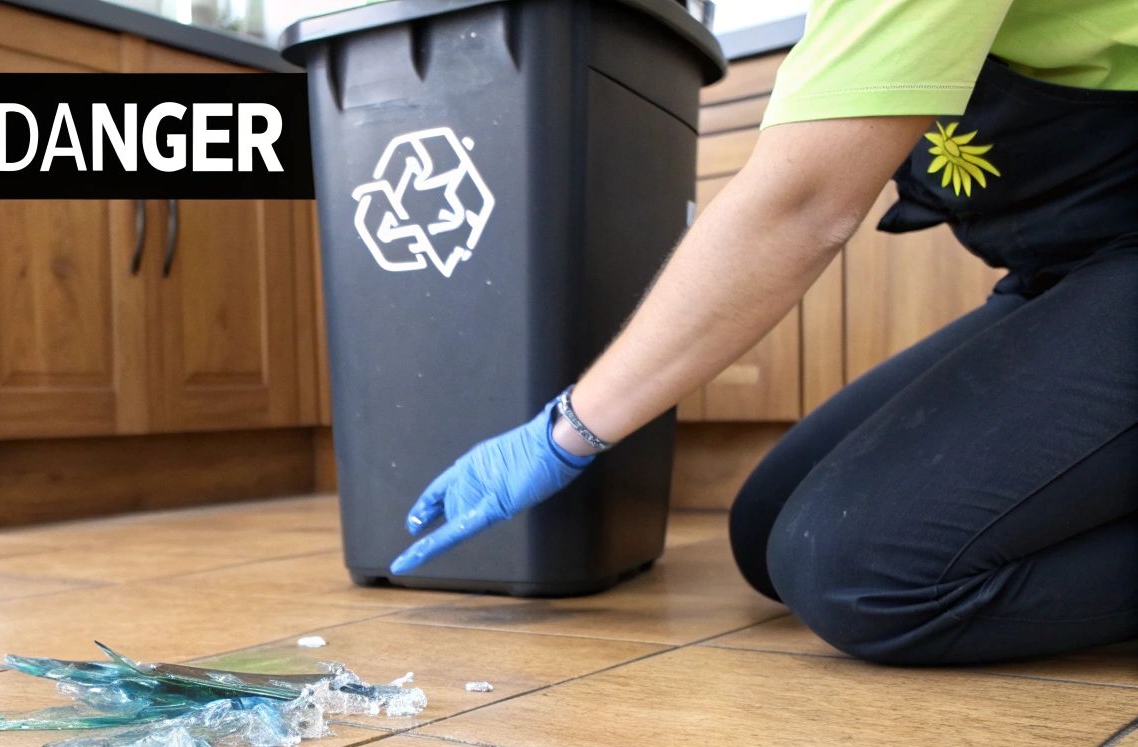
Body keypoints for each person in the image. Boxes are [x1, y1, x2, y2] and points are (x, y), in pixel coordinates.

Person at [389, 0, 1138, 666]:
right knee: (769, 529)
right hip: (1070, 267)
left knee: (863, 579)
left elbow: (803, 205)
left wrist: (565, 431)